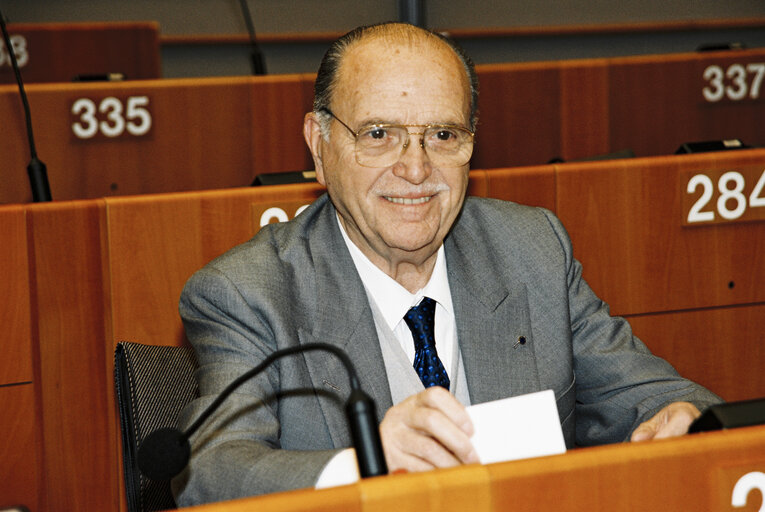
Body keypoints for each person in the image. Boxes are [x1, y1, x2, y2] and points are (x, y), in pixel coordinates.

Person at [172, 22, 721, 506]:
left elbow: (650, 395)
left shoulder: (531, 250)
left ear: (470, 145)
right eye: (379, 135)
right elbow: (208, 473)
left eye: (442, 135)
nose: (415, 169)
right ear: (319, 146)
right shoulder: (248, 292)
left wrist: (687, 417)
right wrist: (367, 464)